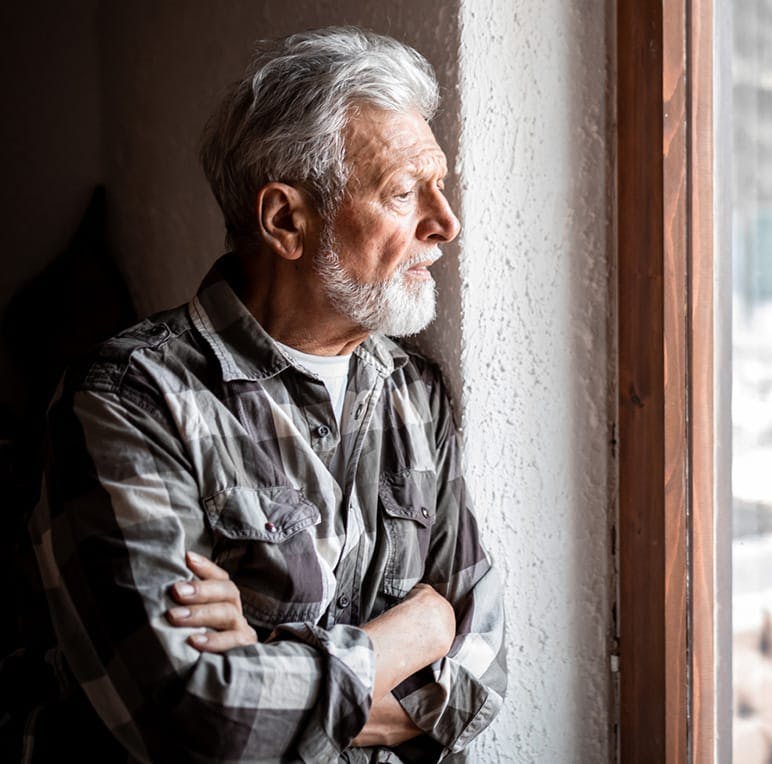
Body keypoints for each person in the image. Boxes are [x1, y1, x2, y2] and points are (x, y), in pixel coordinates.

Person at [28, 27, 505, 763]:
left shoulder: (414, 392)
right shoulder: (129, 400)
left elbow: (479, 672)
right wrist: (415, 633)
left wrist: (263, 651)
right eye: (404, 193)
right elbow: (194, 720)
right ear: (285, 220)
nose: (445, 224)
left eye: (438, 187)